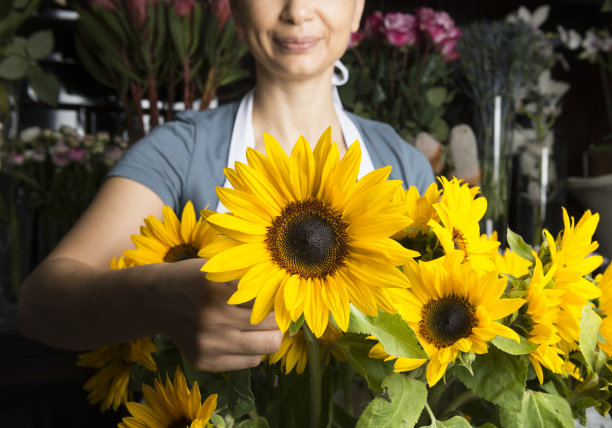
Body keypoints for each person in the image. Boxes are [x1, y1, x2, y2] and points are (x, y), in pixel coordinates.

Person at [18, 0, 434, 373]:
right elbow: (39, 305)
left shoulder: (403, 165)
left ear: (357, 8)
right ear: (234, 8)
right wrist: (155, 297)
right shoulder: (180, 151)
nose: (297, 11)